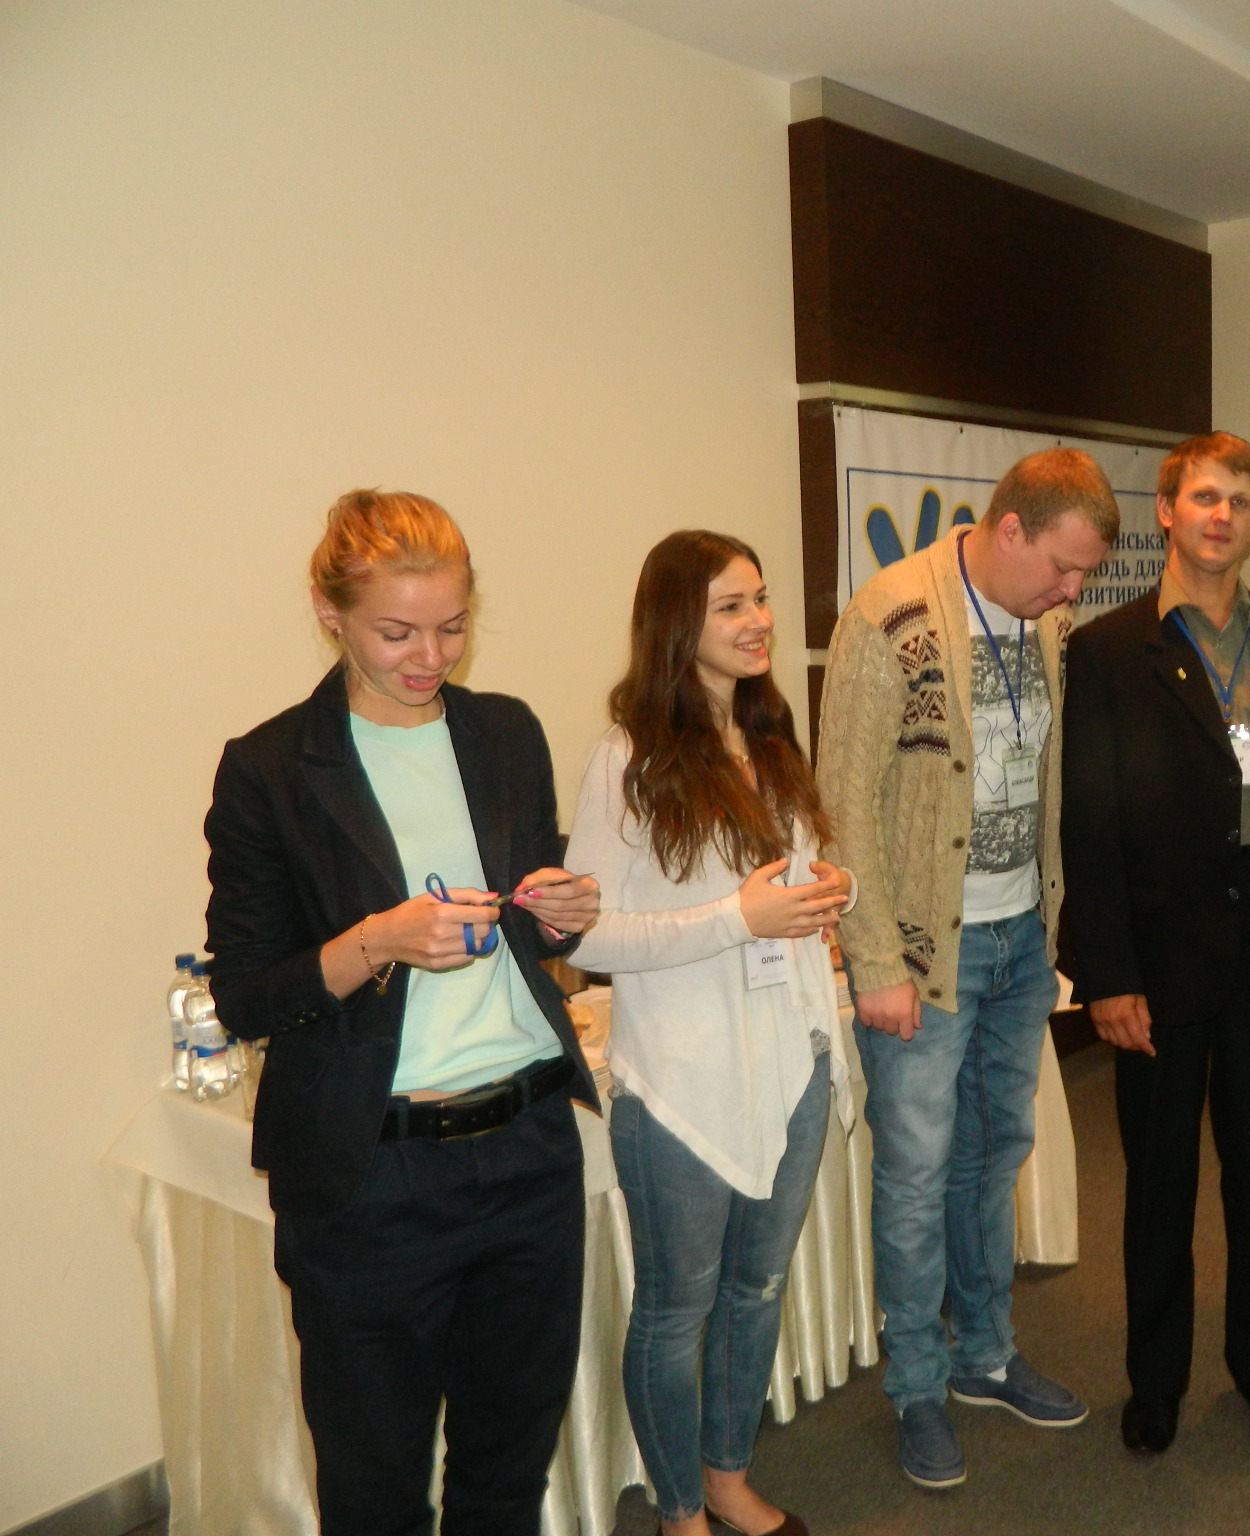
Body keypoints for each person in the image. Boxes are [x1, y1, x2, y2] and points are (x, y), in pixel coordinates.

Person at [202, 490, 601, 1536]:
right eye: (397, 633)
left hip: (527, 1150)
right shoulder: (273, 769)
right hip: (371, 1177)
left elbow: (529, 919)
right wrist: (377, 940)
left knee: (506, 1475)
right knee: (375, 1492)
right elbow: (245, 995)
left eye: (452, 627)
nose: (431, 657)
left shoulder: (504, 731)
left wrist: (564, 912)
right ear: (329, 613)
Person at [814, 447, 1117, 1488]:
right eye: (1062, 566)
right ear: (1010, 529)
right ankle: (916, 1384)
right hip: (920, 951)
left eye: (1083, 575)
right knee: (914, 1175)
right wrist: (873, 961)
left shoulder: (1048, 626)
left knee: (994, 1155)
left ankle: (985, 1352)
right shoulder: (888, 618)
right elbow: (844, 800)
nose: (1071, 591)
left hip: (1018, 937)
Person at [565, 531, 854, 1536]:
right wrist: (739, 917)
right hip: (683, 1082)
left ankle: (727, 1477)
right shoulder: (628, 759)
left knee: (757, 1288)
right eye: (731, 605)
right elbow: (586, 934)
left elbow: (788, 880)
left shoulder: (768, 737)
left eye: (761, 598)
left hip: (795, 1057)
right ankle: (679, 1510)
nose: (759, 621)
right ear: (676, 623)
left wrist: (830, 888)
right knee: (676, 1309)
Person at [1061, 431, 1250, 1465]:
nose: (1224, 516)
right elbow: (1088, 824)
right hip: (1158, 958)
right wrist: (1108, 975)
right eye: (1206, 497)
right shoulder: (1107, 648)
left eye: (1242, 501)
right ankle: (1156, 1382)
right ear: (1167, 511)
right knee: (1159, 1182)